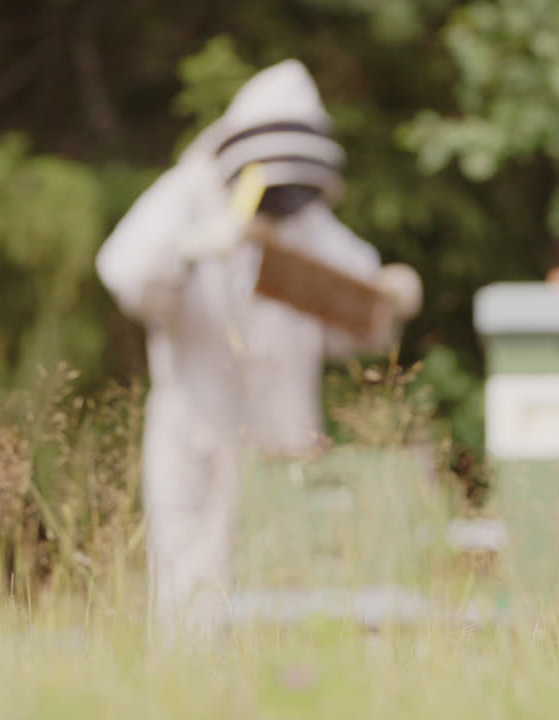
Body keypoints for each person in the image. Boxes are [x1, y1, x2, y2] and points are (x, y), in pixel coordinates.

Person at [95, 59, 422, 643]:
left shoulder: (305, 219)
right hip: (195, 431)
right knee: (190, 594)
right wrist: (194, 249)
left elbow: (360, 311)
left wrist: (391, 296)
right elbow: (125, 273)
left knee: (285, 600)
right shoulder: (187, 193)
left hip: (283, 439)